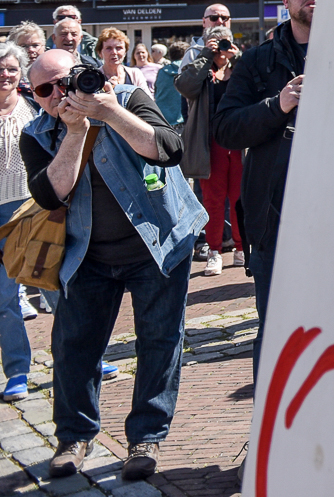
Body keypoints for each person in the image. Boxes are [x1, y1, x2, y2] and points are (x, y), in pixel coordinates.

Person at [21, 49, 205, 482]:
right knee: (74, 347)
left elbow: (167, 149)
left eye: (65, 81)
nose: (57, 95)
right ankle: (74, 436)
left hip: (157, 242)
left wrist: (109, 111)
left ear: (85, 74)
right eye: (44, 90)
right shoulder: (37, 133)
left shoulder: (129, 98)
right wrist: (75, 132)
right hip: (87, 254)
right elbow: (50, 195)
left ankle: (146, 437)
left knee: (159, 341)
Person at [213, 0, 320, 376]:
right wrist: (278, 106)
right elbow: (225, 129)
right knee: (277, 329)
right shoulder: (257, 62)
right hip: (276, 217)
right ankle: (271, 434)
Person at [175, 26, 242, 277]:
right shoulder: (202, 69)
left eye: (224, 42)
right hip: (209, 142)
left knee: (239, 198)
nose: (220, 47)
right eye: (215, 42)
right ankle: (214, 251)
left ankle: (240, 246)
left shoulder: (238, 69)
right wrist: (205, 55)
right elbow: (185, 87)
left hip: (237, 141)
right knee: (212, 201)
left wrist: (237, 59)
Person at [0, 43, 38, 403]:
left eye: (11, 68)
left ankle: (85, 357)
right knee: (4, 296)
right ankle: (17, 371)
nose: (5, 75)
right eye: (0, 69)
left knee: (56, 286)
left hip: (30, 209)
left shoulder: (33, 107)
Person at [9, 24, 47, 106]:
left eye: (35, 45)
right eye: (24, 46)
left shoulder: (53, 73)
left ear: (44, 46)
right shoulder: (7, 76)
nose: (30, 50)